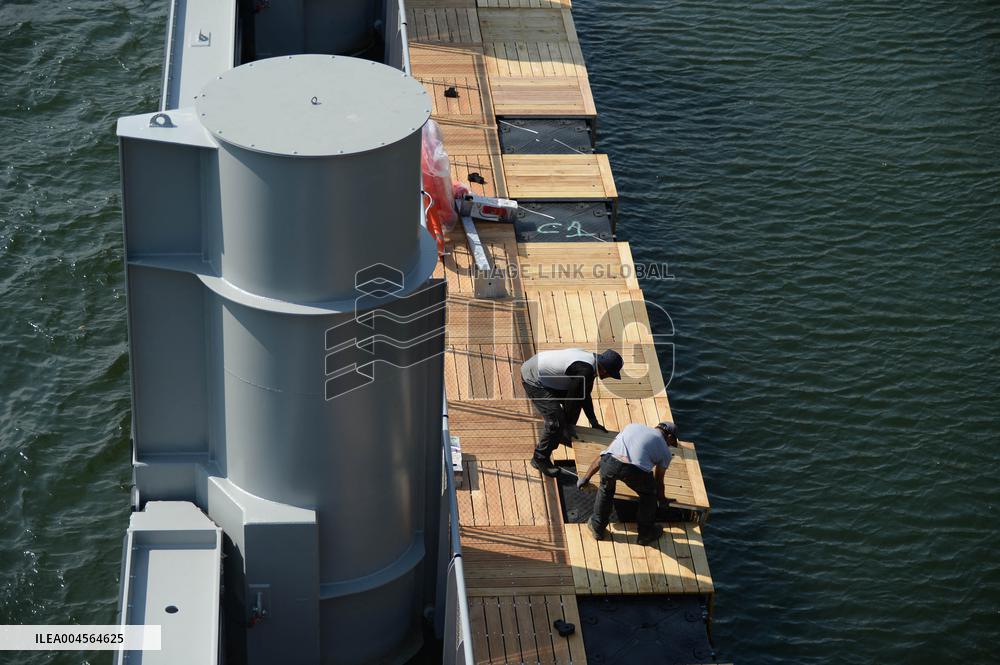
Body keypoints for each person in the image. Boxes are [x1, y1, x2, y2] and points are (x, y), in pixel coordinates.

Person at [521, 348, 624, 477]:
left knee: (571, 410)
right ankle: (539, 458)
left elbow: (584, 395)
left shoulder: (591, 365)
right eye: (610, 374)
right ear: (604, 369)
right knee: (556, 422)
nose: (609, 377)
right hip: (533, 378)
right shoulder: (585, 370)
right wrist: (565, 425)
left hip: (548, 375)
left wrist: (594, 422)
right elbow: (571, 399)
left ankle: (561, 436)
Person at [576, 421, 678, 546]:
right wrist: (661, 499)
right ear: (669, 436)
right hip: (635, 472)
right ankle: (645, 535)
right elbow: (658, 480)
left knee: (605, 490)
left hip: (610, 464)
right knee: (649, 496)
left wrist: (586, 478)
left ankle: (597, 528)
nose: (669, 445)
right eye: (671, 442)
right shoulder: (665, 451)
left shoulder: (632, 427)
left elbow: (605, 454)